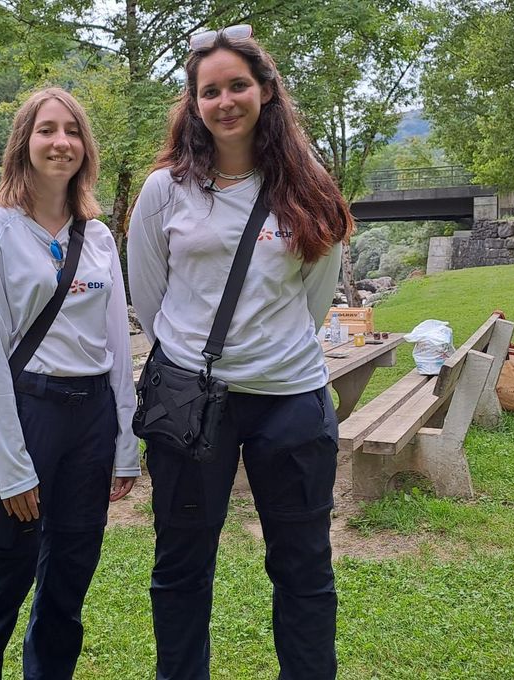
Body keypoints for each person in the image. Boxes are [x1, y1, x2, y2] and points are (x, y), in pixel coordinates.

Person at [127, 25, 353, 680]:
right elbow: (151, 296)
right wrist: (204, 350)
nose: (224, 100)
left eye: (237, 85)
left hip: (291, 400)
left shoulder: (309, 186)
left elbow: (314, 300)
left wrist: (269, 352)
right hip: (191, 402)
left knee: (304, 565)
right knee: (181, 564)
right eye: (209, 90)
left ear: (265, 92)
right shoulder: (165, 191)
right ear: (193, 103)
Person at [0, 87, 140, 680]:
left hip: (91, 422)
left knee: (66, 591)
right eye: (47, 130)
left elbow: (117, 351)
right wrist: (10, 466)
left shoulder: (101, 237)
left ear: (86, 147)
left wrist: (125, 446)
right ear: (23, 144)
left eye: (73, 131)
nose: (61, 142)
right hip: (27, 413)